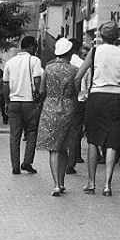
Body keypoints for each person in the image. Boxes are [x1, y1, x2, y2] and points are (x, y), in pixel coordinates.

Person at [75, 22, 120, 196]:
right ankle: (107, 185)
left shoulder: (94, 51)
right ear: (117, 36)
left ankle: (91, 183)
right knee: (112, 142)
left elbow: (78, 77)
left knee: (93, 139)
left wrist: (80, 95)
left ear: (101, 35)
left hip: (97, 96)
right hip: (116, 98)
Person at [36, 38, 80, 197]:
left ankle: (55, 185)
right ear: (69, 53)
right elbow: (77, 91)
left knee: (53, 149)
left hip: (50, 107)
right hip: (68, 107)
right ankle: (61, 183)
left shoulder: (48, 68)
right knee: (64, 146)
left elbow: (42, 90)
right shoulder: (74, 70)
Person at [2, 36, 43, 175]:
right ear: (30, 46)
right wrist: (38, 95)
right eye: (35, 45)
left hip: (14, 102)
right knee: (31, 132)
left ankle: (15, 166)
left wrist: (6, 102)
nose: (36, 48)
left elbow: (5, 85)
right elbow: (37, 80)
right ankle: (27, 162)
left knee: (14, 135)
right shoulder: (34, 60)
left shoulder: (9, 62)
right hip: (30, 102)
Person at [66, 33, 94, 174]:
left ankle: (67, 159)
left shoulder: (65, 64)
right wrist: (80, 96)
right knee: (76, 131)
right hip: (80, 100)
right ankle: (71, 162)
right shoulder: (85, 66)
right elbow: (86, 85)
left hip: (66, 100)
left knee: (68, 130)